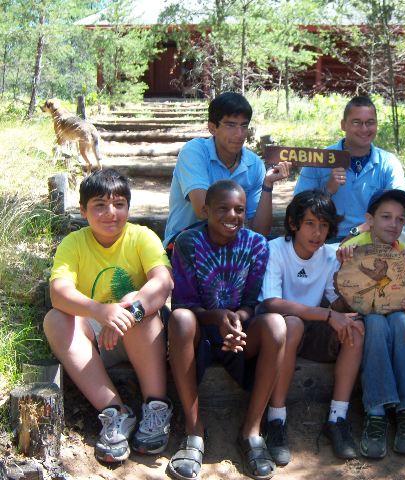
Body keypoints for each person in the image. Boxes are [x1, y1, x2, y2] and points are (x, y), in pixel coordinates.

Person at [43, 169, 174, 464]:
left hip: (143, 336)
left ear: (128, 207)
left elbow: (163, 281)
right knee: (55, 319)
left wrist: (128, 311)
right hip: (96, 335)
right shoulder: (74, 243)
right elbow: (59, 292)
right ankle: (115, 412)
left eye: (119, 204)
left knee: (138, 304)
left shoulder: (141, 236)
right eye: (100, 205)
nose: (110, 213)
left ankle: (156, 405)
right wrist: (102, 312)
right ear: (83, 210)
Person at [167, 180, 286, 480]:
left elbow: (252, 302)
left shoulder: (256, 244)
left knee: (275, 324)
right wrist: (217, 317)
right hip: (200, 331)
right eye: (222, 208)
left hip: (239, 333)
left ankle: (252, 431)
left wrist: (236, 320)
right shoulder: (188, 242)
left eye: (239, 210)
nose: (232, 215)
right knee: (179, 320)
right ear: (205, 210)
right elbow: (184, 303)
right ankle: (194, 431)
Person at [259, 190, 364, 465]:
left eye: (324, 225)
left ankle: (338, 417)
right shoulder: (275, 250)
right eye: (310, 224)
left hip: (316, 328)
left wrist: (346, 275)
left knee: (355, 327)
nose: (317, 233)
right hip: (280, 331)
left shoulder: (329, 255)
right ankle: (276, 418)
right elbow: (271, 302)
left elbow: (337, 304)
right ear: (293, 223)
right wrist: (327, 315)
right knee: (293, 324)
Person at [339, 189, 405, 459]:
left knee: (402, 323)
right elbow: (341, 293)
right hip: (363, 313)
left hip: (396, 314)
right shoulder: (352, 247)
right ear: (369, 220)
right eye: (386, 217)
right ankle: (376, 412)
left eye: (400, 219)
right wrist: (344, 263)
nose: (393, 224)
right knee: (374, 322)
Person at [164, 91, 290, 248]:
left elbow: (260, 232)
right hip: (185, 244)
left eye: (244, 126)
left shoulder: (254, 164)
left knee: (279, 247)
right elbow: (203, 212)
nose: (239, 134)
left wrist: (268, 185)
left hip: (232, 246)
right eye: (230, 125)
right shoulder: (194, 152)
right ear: (212, 128)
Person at [293, 95, 405, 240]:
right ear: (343, 125)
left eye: (370, 122)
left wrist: (358, 231)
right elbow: (297, 210)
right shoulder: (319, 160)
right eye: (356, 122)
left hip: (373, 241)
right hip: (324, 241)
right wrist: (327, 191)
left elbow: (404, 208)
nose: (364, 129)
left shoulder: (388, 162)